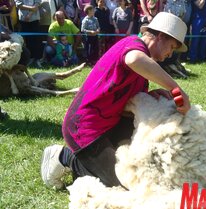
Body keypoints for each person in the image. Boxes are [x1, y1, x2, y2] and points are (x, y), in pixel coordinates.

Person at [40, 12, 191, 189]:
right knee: (122, 184)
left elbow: (126, 107)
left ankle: (95, 162)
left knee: (139, 171)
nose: (169, 54)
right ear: (161, 37)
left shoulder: (143, 74)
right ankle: (63, 156)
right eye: (171, 47)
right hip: (84, 128)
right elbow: (134, 59)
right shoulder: (133, 46)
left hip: (107, 126)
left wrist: (149, 97)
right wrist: (176, 90)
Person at [15, 0, 42, 68]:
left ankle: (37, 59)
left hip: (34, 19)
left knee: (37, 39)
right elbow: (19, 5)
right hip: (23, 19)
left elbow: (37, 4)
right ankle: (30, 59)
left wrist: (29, 15)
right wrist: (31, 8)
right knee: (27, 40)